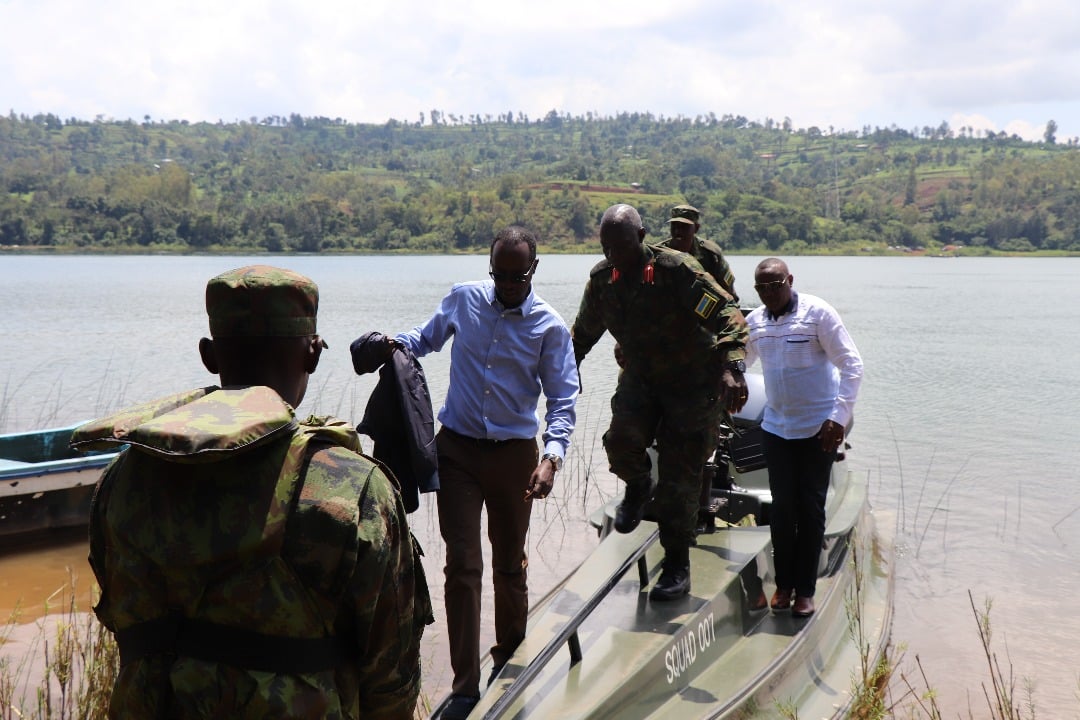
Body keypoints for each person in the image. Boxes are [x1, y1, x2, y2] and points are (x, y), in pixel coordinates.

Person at [71, 265, 432, 719]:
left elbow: (118, 615)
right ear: (313, 354)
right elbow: (391, 674)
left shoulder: (123, 477)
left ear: (209, 355)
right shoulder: (352, 488)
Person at [387, 226, 579, 720]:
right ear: (490, 268)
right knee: (462, 565)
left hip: (515, 457)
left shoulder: (549, 326)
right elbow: (423, 340)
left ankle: (508, 664)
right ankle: (464, 687)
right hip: (457, 453)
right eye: (500, 274)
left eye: (518, 276)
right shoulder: (464, 299)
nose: (508, 284)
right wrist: (389, 344)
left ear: (534, 270)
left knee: (509, 565)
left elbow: (563, 400)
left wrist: (551, 458)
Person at [571, 204, 748, 602]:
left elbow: (727, 312)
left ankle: (677, 564)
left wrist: (733, 367)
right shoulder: (603, 281)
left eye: (620, 246)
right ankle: (637, 485)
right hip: (642, 379)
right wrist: (565, 371)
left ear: (641, 236)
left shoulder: (675, 270)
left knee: (679, 477)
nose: (613, 255)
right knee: (620, 442)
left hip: (692, 384)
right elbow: (581, 335)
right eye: (606, 247)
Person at [744, 258, 863, 618]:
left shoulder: (817, 314)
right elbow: (739, 362)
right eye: (762, 287)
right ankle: (783, 586)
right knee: (782, 510)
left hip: (818, 429)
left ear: (790, 280)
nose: (769, 293)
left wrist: (838, 418)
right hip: (776, 428)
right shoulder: (756, 322)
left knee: (810, 509)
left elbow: (852, 365)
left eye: (775, 285)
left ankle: (806, 592)